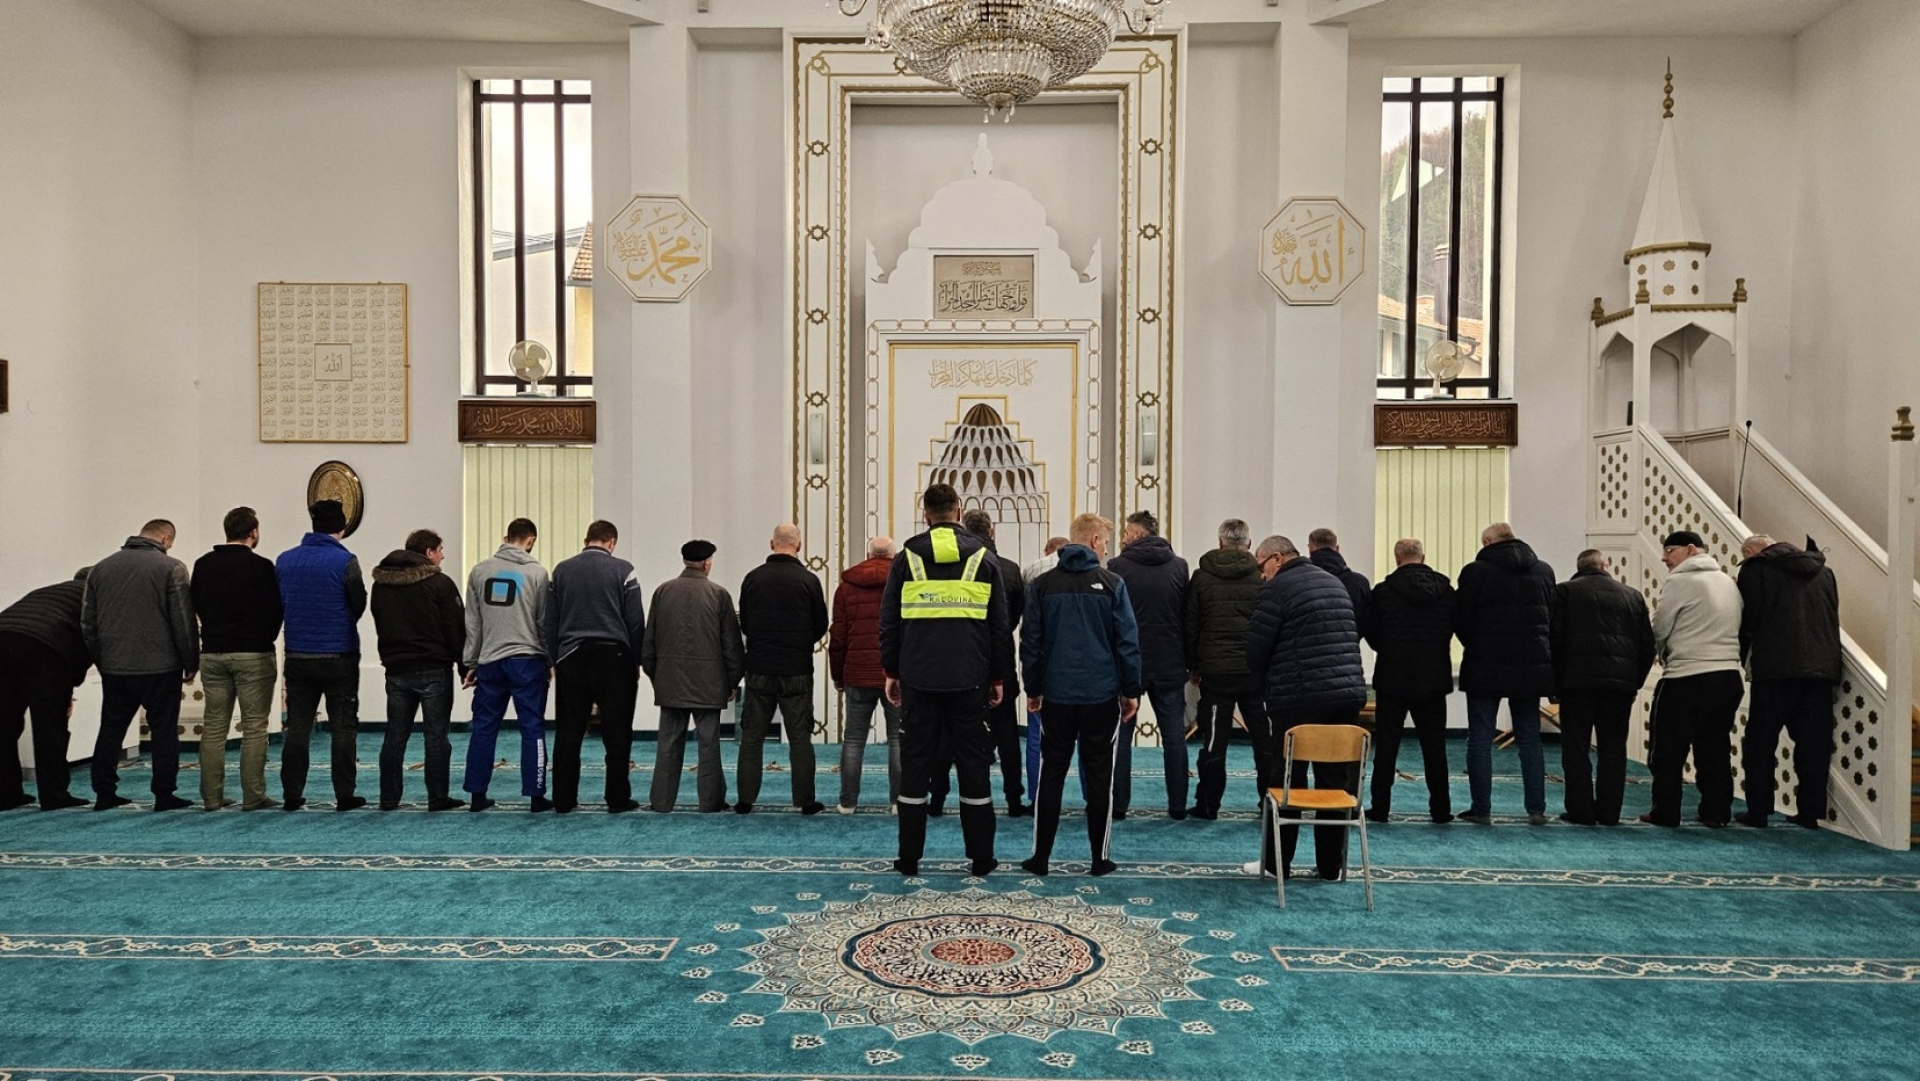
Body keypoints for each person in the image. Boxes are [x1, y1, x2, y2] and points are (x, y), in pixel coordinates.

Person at [878, 482, 1010, 876]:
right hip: (970, 681)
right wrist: (998, 677)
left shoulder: (905, 560)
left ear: (925, 515)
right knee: (975, 767)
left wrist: (891, 672)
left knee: (915, 768)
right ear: (959, 510)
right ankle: (981, 858)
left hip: (918, 680)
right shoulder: (984, 558)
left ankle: (909, 859)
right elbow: (999, 627)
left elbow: (889, 623)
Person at [1020, 513, 1142, 877]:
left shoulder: (1042, 586)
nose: (1106, 548)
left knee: (1051, 775)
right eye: (1105, 542)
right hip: (1101, 695)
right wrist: (1130, 691)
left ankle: (1040, 857)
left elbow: (1031, 644)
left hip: (1056, 695)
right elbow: (1127, 643)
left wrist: (1034, 688)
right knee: (1100, 777)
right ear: (1092, 541)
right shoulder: (1112, 583)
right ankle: (1099, 859)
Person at [1243, 534, 1367, 880]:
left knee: (1286, 781)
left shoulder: (1277, 590)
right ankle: (1331, 867)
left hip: (1298, 699)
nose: (1261, 575)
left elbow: (1256, 648)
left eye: (1261, 566)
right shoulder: (1335, 583)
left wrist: (1261, 687)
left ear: (1277, 559)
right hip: (1345, 697)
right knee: (1335, 784)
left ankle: (1275, 864)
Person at [82, 519, 198, 811]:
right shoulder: (171, 568)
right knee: (163, 730)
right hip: (161, 666)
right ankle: (163, 794)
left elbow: (87, 623)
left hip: (115, 666)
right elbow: (183, 621)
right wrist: (190, 660)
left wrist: (102, 658)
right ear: (166, 538)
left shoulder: (101, 568)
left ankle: (104, 792)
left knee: (111, 728)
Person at [1735, 534, 1840, 829]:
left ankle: (1758, 811)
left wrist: (1739, 658)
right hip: (1821, 668)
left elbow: (1748, 621)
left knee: (1760, 742)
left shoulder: (1756, 570)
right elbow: (1832, 615)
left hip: (1775, 667)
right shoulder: (1825, 571)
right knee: (1813, 744)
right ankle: (1809, 812)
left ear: (1754, 552)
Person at [1454, 522, 1556, 825]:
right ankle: (1536, 809)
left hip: (1486, 663)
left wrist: (1476, 644)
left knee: (1480, 738)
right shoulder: (1544, 571)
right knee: (1530, 739)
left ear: (1487, 542)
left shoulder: (1475, 572)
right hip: (1531, 665)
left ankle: (1481, 808)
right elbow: (1551, 616)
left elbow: (1462, 619)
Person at [1642, 530, 1745, 828]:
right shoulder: (1727, 582)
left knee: (1668, 751)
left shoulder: (1680, 581)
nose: (1664, 557)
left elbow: (1661, 625)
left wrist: (1660, 654)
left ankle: (1666, 812)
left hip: (1687, 676)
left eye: (1669, 551)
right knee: (1714, 748)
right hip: (1727, 677)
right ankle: (1716, 813)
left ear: (1689, 549)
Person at [929, 510, 1028, 817]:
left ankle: (937, 799)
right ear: (993, 531)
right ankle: (1013, 800)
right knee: (1007, 735)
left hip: (960, 661)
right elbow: (1013, 620)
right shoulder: (1010, 570)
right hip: (1000, 660)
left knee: (946, 733)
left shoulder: (954, 567)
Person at [547, 520, 646, 814]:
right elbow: (635, 621)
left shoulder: (561, 570)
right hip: (614, 658)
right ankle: (617, 799)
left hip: (571, 658)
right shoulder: (624, 570)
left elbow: (550, 620)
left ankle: (564, 799)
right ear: (612, 542)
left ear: (586, 540)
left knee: (569, 732)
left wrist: (554, 658)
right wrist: (636, 660)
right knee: (617, 733)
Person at [1549, 549, 1654, 826]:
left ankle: (1581, 811)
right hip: (1619, 687)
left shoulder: (1565, 593)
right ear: (1605, 565)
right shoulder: (1632, 596)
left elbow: (1555, 640)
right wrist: (1634, 683)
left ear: (1578, 567)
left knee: (1576, 747)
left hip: (1577, 684)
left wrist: (1556, 683)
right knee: (1613, 749)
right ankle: (1610, 813)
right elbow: (1647, 647)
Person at [275, 499, 367, 811]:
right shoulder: (345, 561)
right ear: (342, 527)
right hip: (339, 653)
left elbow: (279, 604)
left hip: (298, 654)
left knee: (298, 726)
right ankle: (344, 794)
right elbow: (358, 604)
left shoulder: (285, 561)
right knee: (342, 726)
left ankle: (291, 794)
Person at [190, 506, 283, 810]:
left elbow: (197, 605)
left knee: (214, 725)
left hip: (213, 652)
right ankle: (253, 795)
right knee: (255, 725)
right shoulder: (261, 567)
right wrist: (265, 638)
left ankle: (212, 797)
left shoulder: (203, 565)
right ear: (253, 532)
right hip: (253, 653)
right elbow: (274, 610)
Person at [643, 540, 745, 813]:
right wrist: (732, 681)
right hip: (709, 683)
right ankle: (710, 802)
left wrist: (656, 675)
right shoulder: (718, 594)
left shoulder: (663, 591)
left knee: (667, 744)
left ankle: (662, 802)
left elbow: (649, 641)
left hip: (670, 680)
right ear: (707, 563)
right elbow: (731, 645)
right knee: (709, 745)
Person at [735, 523, 828, 816]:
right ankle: (805, 800)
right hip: (796, 669)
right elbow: (820, 625)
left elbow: (746, 623)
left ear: (771, 544)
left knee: (752, 737)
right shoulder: (808, 580)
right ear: (798, 546)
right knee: (800, 738)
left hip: (760, 667)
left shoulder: (753, 579)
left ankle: (745, 800)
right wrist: (799, 644)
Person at [370, 528, 466, 812]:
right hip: (433, 668)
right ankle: (437, 798)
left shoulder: (381, 584)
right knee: (436, 736)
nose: (443, 556)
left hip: (396, 669)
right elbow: (454, 629)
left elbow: (378, 620)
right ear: (428, 553)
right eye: (440, 550)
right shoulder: (440, 583)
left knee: (394, 736)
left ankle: (388, 798)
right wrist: (464, 665)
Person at [462, 517, 554, 813]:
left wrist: (470, 662)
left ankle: (477, 795)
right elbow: (543, 622)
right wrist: (549, 658)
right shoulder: (538, 574)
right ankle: (535, 795)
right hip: (527, 660)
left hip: (489, 661)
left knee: (484, 728)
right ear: (531, 541)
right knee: (532, 728)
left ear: (505, 537)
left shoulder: (478, 571)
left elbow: (472, 623)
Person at [1364, 538, 1456, 824]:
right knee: (1435, 748)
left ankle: (1380, 808)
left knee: (1387, 746)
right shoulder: (1446, 592)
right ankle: (1441, 810)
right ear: (1423, 556)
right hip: (1434, 676)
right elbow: (1453, 627)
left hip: (1393, 677)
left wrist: (1389, 649)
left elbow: (1371, 631)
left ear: (1396, 558)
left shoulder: (1382, 592)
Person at [1182, 517, 1267, 820]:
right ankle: (1267, 802)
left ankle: (1208, 805)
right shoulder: (1260, 577)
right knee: (1263, 739)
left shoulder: (1202, 577)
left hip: (1215, 673)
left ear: (1220, 543)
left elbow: (1191, 625)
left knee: (1215, 741)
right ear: (1248, 543)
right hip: (1254, 672)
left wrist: (1193, 665)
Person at [1107, 509, 1188, 819]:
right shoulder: (1179, 567)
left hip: (1130, 662)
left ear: (1138, 534)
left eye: (1127, 533)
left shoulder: (1118, 566)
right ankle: (1178, 806)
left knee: (1122, 737)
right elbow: (1185, 618)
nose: (1124, 538)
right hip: (1170, 661)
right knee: (1173, 737)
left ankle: (1119, 806)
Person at [0, 569, 93, 810]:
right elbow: (89, 643)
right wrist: (70, 688)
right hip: (44, 648)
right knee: (49, 726)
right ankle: (54, 795)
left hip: (3, 638)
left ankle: (6, 793)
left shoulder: (49, 590)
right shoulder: (94, 597)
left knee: (4, 724)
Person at [830, 536, 901, 812]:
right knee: (897, 739)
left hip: (857, 674)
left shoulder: (846, 588)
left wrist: (838, 675)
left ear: (868, 553)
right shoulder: (903, 583)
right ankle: (898, 802)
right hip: (895, 675)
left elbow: (838, 637)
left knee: (854, 739)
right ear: (894, 557)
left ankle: (848, 803)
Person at [1307, 527, 1371, 634]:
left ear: (1310, 548)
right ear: (1337, 548)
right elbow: (1367, 622)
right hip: (1349, 646)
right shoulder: (1359, 582)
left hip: (1309, 647)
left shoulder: (1301, 581)